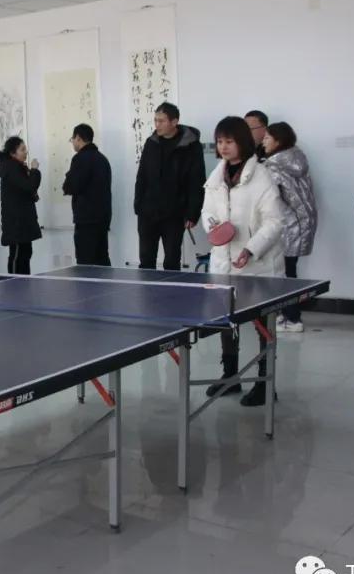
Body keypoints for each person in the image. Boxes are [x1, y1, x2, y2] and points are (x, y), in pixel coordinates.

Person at [201, 116, 285, 407]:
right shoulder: (216, 176)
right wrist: (213, 227)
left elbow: (275, 221)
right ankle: (230, 376)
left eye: (229, 141)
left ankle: (265, 383)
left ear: (243, 142)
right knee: (227, 322)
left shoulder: (262, 177)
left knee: (263, 324)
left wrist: (250, 249)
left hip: (258, 265)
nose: (223, 147)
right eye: (219, 141)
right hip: (223, 263)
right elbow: (207, 212)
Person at [134, 102, 205, 271]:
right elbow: (142, 176)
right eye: (155, 120)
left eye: (161, 121)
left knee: (172, 260)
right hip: (148, 212)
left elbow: (197, 180)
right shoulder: (151, 143)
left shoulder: (191, 146)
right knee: (146, 259)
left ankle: (171, 289)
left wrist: (193, 213)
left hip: (175, 212)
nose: (157, 125)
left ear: (174, 122)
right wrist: (138, 205)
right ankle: (146, 288)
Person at [261, 122, 318, 333]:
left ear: (278, 141)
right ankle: (287, 314)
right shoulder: (296, 158)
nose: (263, 141)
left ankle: (292, 318)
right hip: (302, 222)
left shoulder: (273, 166)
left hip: (288, 224)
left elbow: (273, 199)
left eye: (267, 137)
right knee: (289, 271)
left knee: (286, 274)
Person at [62, 123, 112, 266]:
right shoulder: (103, 159)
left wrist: (68, 176)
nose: (72, 142)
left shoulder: (80, 158)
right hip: (103, 218)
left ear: (78, 138)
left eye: (72, 139)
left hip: (86, 220)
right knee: (102, 259)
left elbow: (70, 187)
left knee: (85, 262)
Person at [0, 136, 41, 274]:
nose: (26, 152)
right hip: (16, 221)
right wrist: (34, 170)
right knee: (17, 255)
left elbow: (27, 190)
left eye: (25, 149)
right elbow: (29, 186)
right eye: (22, 149)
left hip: (22, 220)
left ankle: (25, 281)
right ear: (12, 153)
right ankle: (14, 283)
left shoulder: (18, 167)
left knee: (25, 253)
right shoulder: (11, 168)